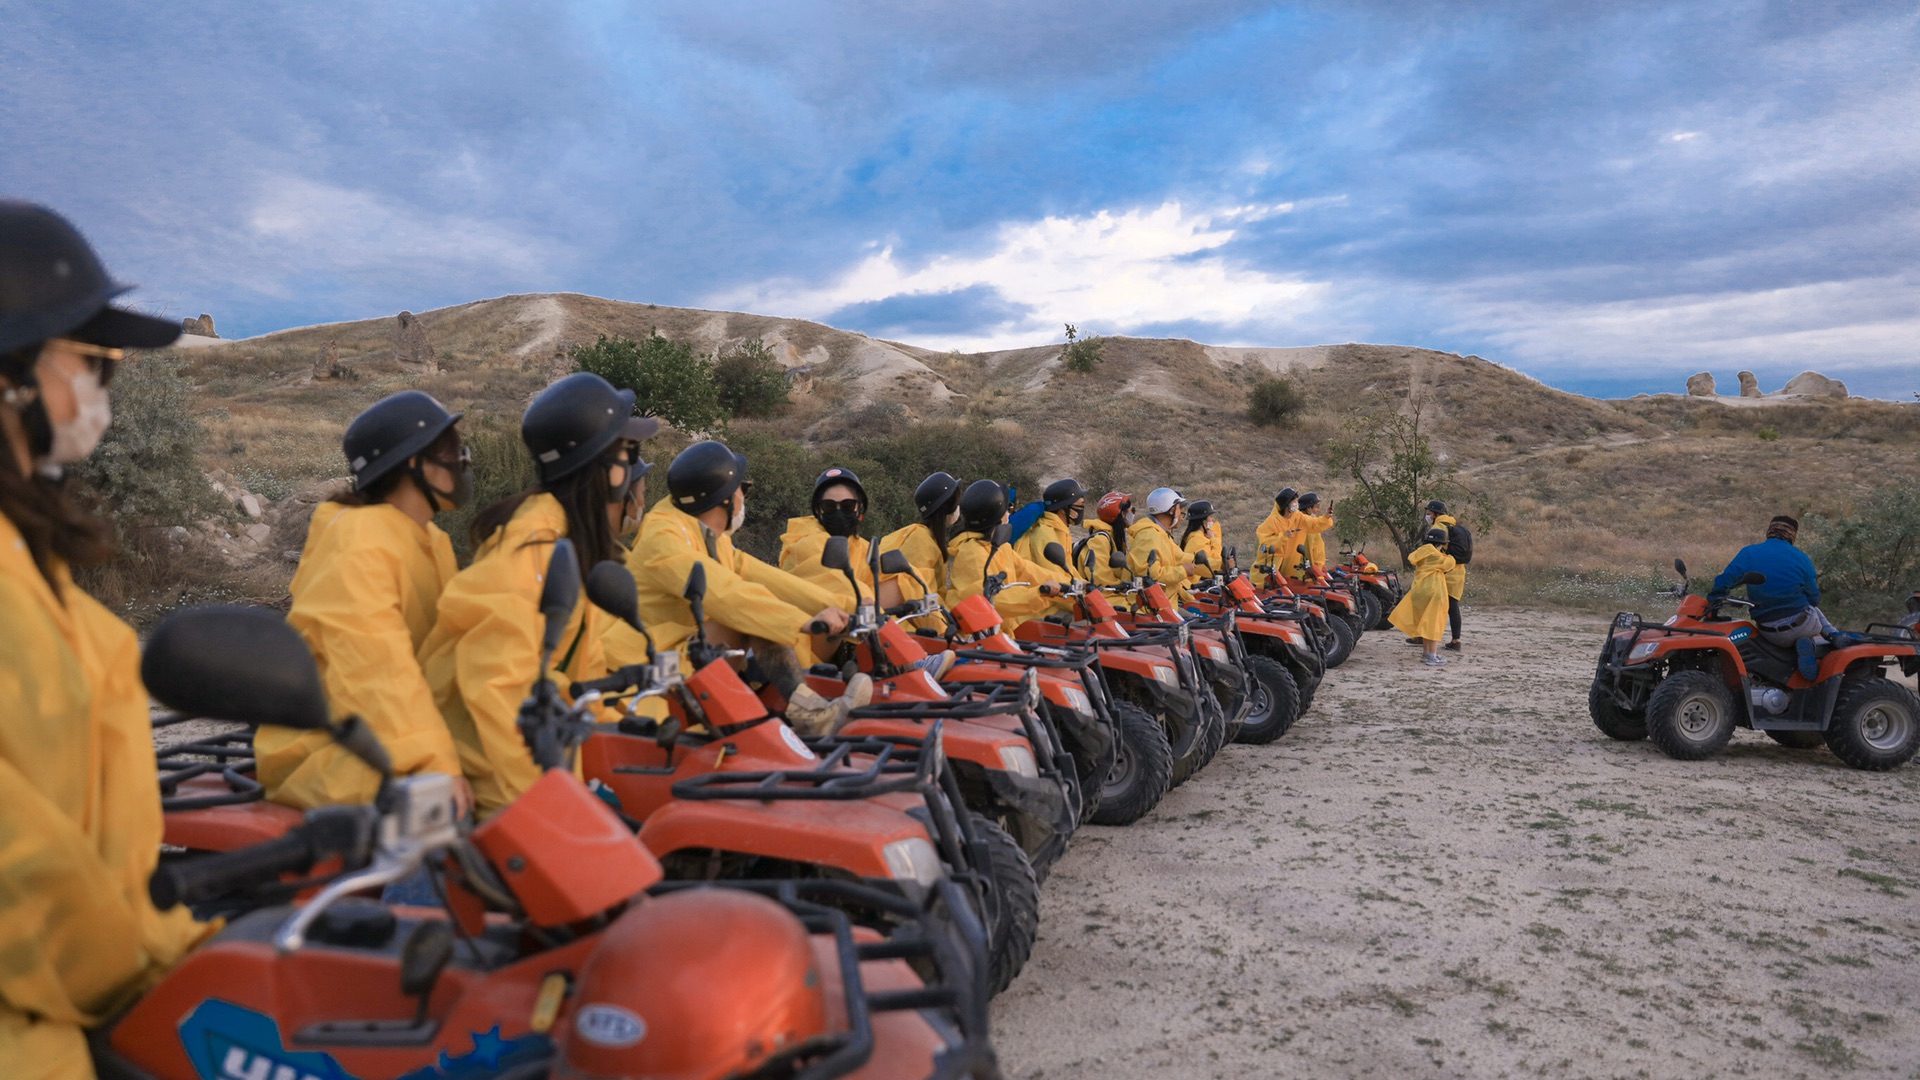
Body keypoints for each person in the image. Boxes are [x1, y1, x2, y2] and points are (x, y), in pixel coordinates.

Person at [0, 200, 209, 1075]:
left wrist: (178, 951)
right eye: (90, 360)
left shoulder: (34, 567)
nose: (102, 387)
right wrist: (138, 970)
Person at [418, 373, 654, 819]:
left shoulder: (569, 543)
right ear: (605, 468)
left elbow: (578, 679)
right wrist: (553, 814)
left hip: (542, 762)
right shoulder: (533, 549)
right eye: (629, 451)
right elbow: (500, 695)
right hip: (490, 788)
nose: (632, 465)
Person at [254, 391, 475, 818]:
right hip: (340, 753)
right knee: (443, 848)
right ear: (414, 464)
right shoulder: (357, 543)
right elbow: (375, 666)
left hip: (394, 737)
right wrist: (433, 764)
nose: (463, 462)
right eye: (453, 452)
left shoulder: (430, 539)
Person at [621, 439, 867, 734]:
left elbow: (762, 575)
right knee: (749, 615)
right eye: (743, 489)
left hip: (681, 649)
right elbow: (724, 593)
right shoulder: (664, 538)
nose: (744, 498)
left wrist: (846, 604)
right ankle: (806, 715)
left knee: (755, 612)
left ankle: (805, 711)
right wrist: (801, 620)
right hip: (647, 664)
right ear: (723, 499)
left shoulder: (708, 533)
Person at [1710, 514, 1833, 680]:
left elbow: (1725, 581)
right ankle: (1826, 637)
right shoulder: (1801, 558)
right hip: (1800, 625)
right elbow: (1814, 598)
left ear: (1769, 531)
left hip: (1767, 629)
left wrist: (1713, 600)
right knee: (1813, 609)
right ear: (1792, 535)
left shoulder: (1749, 553)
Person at [942, 479, 1069, 630]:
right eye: (1005, 510)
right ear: (995, 515)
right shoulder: (972, 553)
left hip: (1006, 631)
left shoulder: (1000, 547)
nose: (1009, 514)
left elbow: (1030, 571)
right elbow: (992, 598)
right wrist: (1039, 594)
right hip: (983, 638)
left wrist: (1073, 584)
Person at [779, 466, 877, 610]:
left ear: (859, 509)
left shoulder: (862, 546)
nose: (838, 512)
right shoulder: (804, 540)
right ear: (818, 510)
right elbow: (837, 583)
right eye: (829, 506)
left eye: (848, 505)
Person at [1389, 526, 1457, 666]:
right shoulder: (1437, 556)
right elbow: (1449, 563)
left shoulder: (1421, 553)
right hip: (1434, 591)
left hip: (1420, 591)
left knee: (1425, 623)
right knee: (1433, 623)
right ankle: (1432, 655)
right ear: (1441, 544)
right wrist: (1450, 555)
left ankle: (1426, 654)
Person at [1128, 487, 1198, 600]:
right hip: (1154, 606)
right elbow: (1150, 575)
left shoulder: (1162, 534)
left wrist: (1218, 564)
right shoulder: (1148, 536)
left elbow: (1181, 557)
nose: (1181, 517)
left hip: (1167, 601)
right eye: (1180, 510)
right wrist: (1183, 571)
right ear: (1171, 511)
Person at [1019, 477, 1086, 581]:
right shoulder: (1045, 533)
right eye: (1080, 506)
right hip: (1042, 594)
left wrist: (1085, 584)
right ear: (1064, 509)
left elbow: (1068, 569)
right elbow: (1054, 574)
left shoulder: (1061, 530)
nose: (1082, 510)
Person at [1425, 500, 1470, 650]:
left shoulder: (1438, 527)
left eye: (1429, 513)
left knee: (1428, 603)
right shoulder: (1454, 526)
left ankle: (1423, 637)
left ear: (1436, 514)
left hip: (1443, 571)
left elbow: (1433, 551)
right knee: (1453, 606)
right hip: (1458, 571)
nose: (1427, 516)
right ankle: (1456, 640)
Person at [1077, 490, 1133, 587]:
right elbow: (1100, 579)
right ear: (1120, 514)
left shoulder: (1114, 537)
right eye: (1131, 511)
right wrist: (1122, 586)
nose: (1132, 515)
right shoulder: (1100, 540)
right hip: (1100, 594)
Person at [1255, 488, 1301, 586]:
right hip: (1269, 569)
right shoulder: (1272, 521)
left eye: (1296, 501)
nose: (1296, 504)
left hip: (1284, 569)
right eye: (1294, 502)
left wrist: (1325, 518)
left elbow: (1313, 523)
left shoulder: (1294, 517)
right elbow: (1265, 543)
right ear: (1286, 504)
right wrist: (1283, 537)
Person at [1294, 493, 1336, 579]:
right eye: (1316, 506)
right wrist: (1315, 573)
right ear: (1309, 509)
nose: (1318, 509)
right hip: (1309, 575)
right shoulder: (1306, 526)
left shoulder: (1307, 523)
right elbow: (1309, 553)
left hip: (1314, 572)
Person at [1181, 499, 1223, 577]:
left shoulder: (1199, 536)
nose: (1212, 519)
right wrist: (1214, 539)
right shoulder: (1197, 540)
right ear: (1203, 522)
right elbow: (1215, 560)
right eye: (1210, 517)